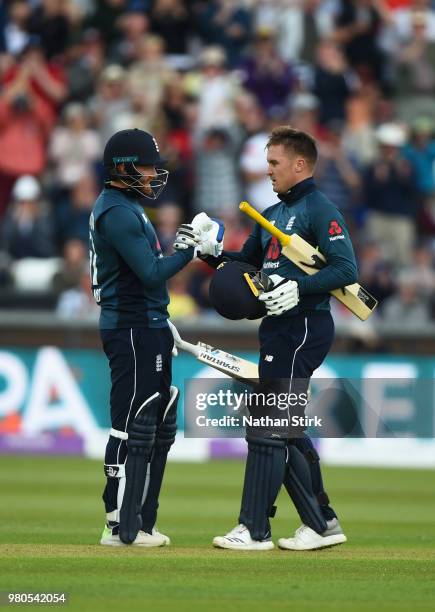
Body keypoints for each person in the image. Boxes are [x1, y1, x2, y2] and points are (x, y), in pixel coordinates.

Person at [206, 126, 357, 550]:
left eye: (274, 163)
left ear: (300, 164)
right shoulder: (270, 215)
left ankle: (255, 529)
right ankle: (321, 522)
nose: (267, 170)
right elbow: (246, 266)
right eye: (267, 162)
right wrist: (209, 254)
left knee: (267, 422)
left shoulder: (319, 209)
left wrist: (300, 288)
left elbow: (346, 271)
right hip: (278, 329)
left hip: (303, 327)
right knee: (283, 427)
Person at [90, 128, 222, 547]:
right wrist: (189, 252)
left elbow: (148, 273)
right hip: (130, 329)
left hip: (144, 324)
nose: (153, 174)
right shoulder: (116, 212)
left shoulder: (125, 207)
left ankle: (140, 521)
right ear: (124, 167)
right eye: (146, 166)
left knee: (153, 422)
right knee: (132, 424)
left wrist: (188, 255)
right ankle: (117, 522)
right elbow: (150, 273)